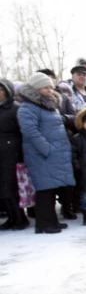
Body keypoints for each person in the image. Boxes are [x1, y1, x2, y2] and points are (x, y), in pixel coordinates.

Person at [18, 73, 76, 234]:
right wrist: (46, 149)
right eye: (46, 87)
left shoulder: (47, 104)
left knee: (52, 188)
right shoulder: (28, 107)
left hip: (53, 154)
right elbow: (30, 131)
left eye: (51, 87)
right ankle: (44, 224)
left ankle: (52, 220)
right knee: (44, 190)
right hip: (42, 156)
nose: (50, 90)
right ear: (36, 88)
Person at [0, 79, 29, 230]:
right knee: (3, 189)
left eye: (1, 89)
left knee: (11, 188)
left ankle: (20, 218)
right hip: (2, 155)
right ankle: (11, 217)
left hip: (13, 154)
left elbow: (23, 132)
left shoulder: (15, 108)